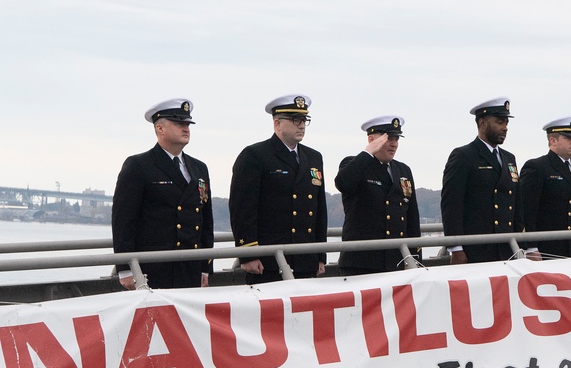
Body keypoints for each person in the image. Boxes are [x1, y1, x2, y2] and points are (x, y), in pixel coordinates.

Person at [112, 99, 213, 289]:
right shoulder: (139, 166)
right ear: (160, 129)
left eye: (187, 124)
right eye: (179, 124)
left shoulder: (199, 168)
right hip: (154, 268)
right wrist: (126, 269)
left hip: (190, 267)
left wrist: (205, 267)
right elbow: (124, 221)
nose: (186, 128)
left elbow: (205, 221)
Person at [229, 94, 328, 283]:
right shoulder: (255, 155)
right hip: (268, 261)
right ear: (277, 123)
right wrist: (248, 254)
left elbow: (319, 210)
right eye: (295, 120)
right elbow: (242, 208)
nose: (301, 125)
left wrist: (320, 254)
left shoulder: (314, 157)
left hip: (305, 258)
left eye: (304, 120)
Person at [334, 115, 421, 275]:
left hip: (396, 262)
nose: (394, 144)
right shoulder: (354, 164)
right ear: (371, 139)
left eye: (396, 138)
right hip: (361, 263)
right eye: (388, 138)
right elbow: (343, 183)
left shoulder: (403, 171)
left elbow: (412, 218)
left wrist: (415, 259)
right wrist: (367, 153)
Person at [441, 97, 523, 264]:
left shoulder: (509, 158)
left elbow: (517, 204)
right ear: (483, 123)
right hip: (477, 249)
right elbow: (452, 204)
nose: (505, 128)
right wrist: (456, 248)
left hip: (507, 248)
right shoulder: (464, 156)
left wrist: (523, 244)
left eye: (506, 123)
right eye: (500, 122)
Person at [520, 117, 571, 260]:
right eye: (568, 138)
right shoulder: (537, 167)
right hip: (549, 248)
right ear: (552, 141)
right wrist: (531, 247)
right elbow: (527, 211)